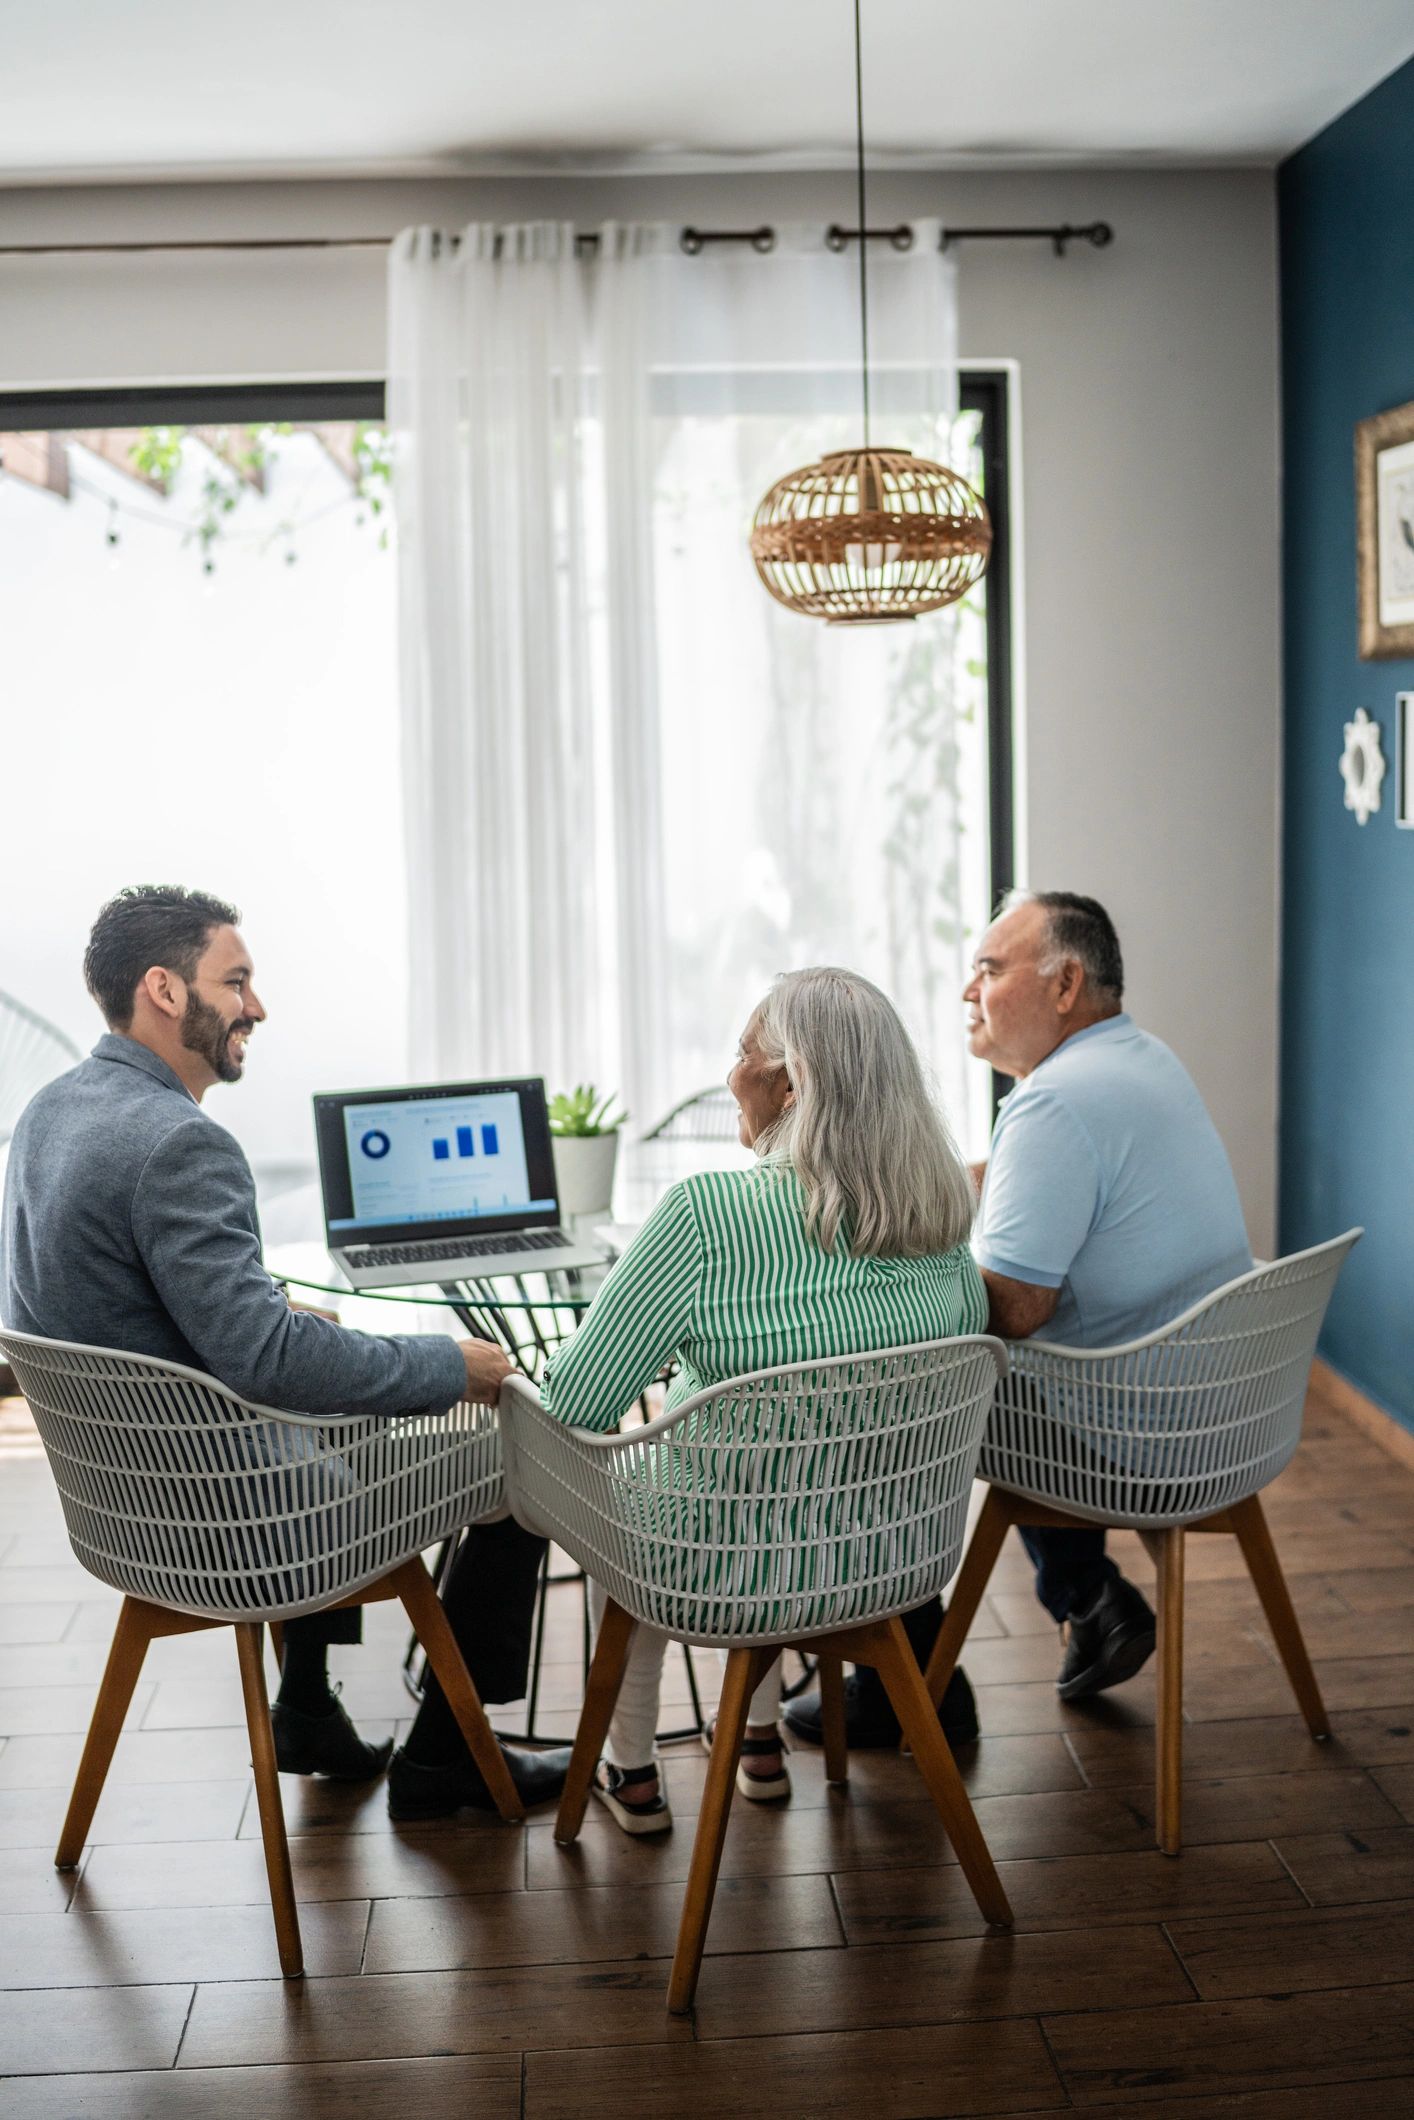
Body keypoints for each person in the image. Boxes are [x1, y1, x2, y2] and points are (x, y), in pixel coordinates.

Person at [0, 885, 569, 1818]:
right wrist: (449, 1370)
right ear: (165, 990)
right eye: (237, 981)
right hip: (237, 1523)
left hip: (123, 1503)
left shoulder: (50, 1113)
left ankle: (305, 1704)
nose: (256, 1007)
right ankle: (444, 1762)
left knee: (336, 1387)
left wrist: (289, 1320)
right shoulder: (181, 1143)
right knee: (521, 1455)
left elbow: (132, 1303)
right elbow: (267, 1364)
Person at [539, 965, 986, 1834]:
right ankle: (757, 1738)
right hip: (885, 1553)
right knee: (787, 1458)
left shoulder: (708, 1217)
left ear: (788, 1083)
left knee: (637, 1495)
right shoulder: (941, 1216)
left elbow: (577, 1407)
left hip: (728, 1570)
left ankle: (630, 1771)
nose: (729, 1074)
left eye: (743, 1054)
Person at [961, 889, 1252, 1699]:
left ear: (1065, 986)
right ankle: (1090, 1601)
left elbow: (1016, 1308)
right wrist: (940, 1190)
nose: (965, 993)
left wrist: (898, 1287)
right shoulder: (1138, 1058)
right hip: (1228, 1410)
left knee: (923, 1380)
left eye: (987, 969)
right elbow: (1069, 1183)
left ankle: (908, 1675)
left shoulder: (1051, 1102)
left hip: (1144, 1441)